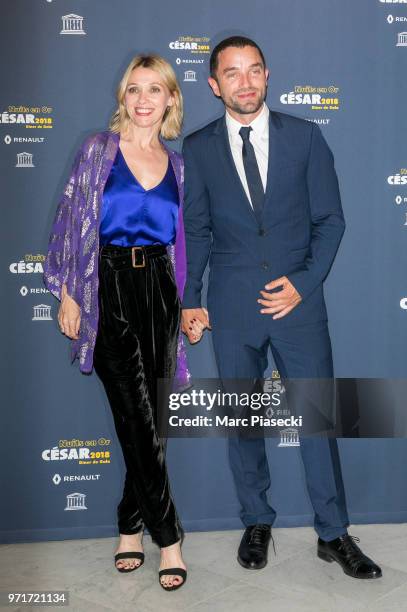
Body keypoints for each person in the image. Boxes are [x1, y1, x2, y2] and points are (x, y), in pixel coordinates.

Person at [181, 36, 382, 579]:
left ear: (267, 75)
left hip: (299, 305)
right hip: (231, 307)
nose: (245, 83)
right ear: (214, 84)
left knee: (317, 419)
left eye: (254, 71)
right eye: (232, 73)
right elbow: (196, 230)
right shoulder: (197, 148)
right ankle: (256, 520)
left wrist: (303, 282)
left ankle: (334, 533)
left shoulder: (306, 137)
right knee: (243, 421)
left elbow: (331, 221)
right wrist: (189, 300)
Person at [43, 54, 189, 591]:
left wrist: (191, 303)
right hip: (105, 286)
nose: (144, 99)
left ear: (172, 98)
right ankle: (169, 537)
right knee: (134, 417)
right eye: (134, 89)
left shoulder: (178, 166)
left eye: (156, 89)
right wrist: (69, 293)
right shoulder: (97, 151)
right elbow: (68, 222)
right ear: (122, 97)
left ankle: (130, 526)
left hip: (161, 291)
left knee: (154, 419)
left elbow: (184, 245)